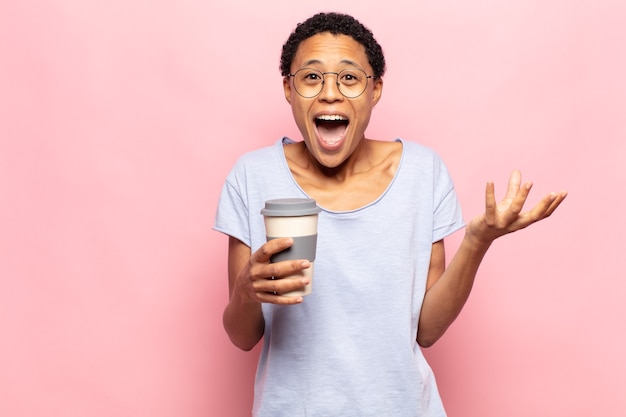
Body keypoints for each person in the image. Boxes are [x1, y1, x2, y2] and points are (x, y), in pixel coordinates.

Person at [214, 11, 567, 417]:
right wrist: (246, 288)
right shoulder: (253, 175)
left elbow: (428, 331)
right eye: (311, 77)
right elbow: (242, 337)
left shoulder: (423, 171)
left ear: (375, 89)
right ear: (288, 90)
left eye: (349, 77)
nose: (330, 93)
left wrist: (477, 241)